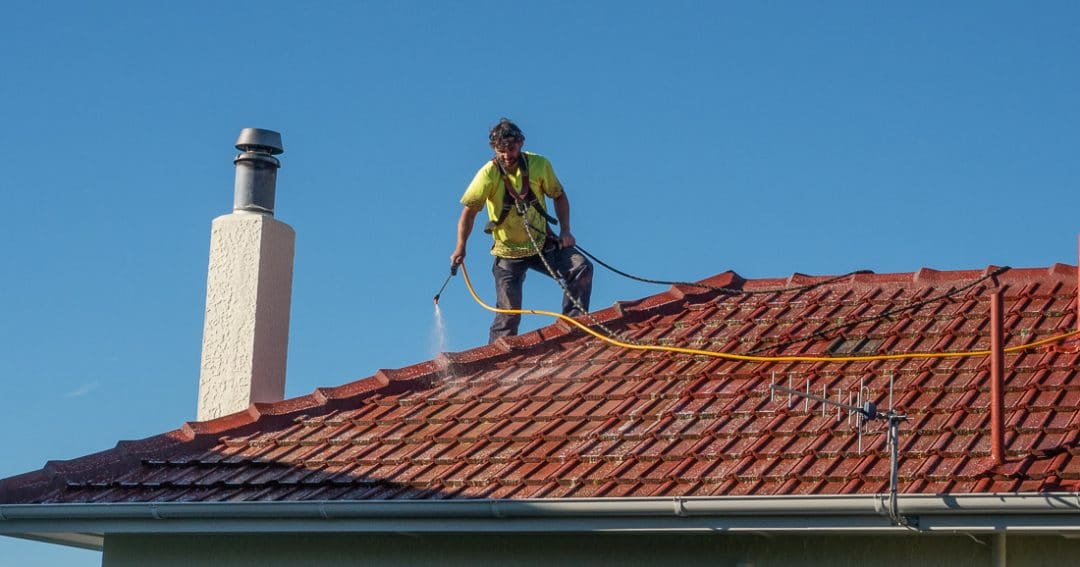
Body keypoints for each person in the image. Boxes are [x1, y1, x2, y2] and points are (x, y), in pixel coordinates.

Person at [451, 118, 593, 343]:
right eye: (501, 151)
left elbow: (559, 195)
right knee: (508, 315)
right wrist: (461, 246)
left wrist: (565, 231)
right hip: (508, 253)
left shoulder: (539, 165)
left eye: (512, 149)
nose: (507, 155)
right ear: (494, 150)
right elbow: (468, 213)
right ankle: (496, 364)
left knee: (581, 268)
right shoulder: (488, 174)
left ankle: (574, 327)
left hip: (541, 244)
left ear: (521, 144)